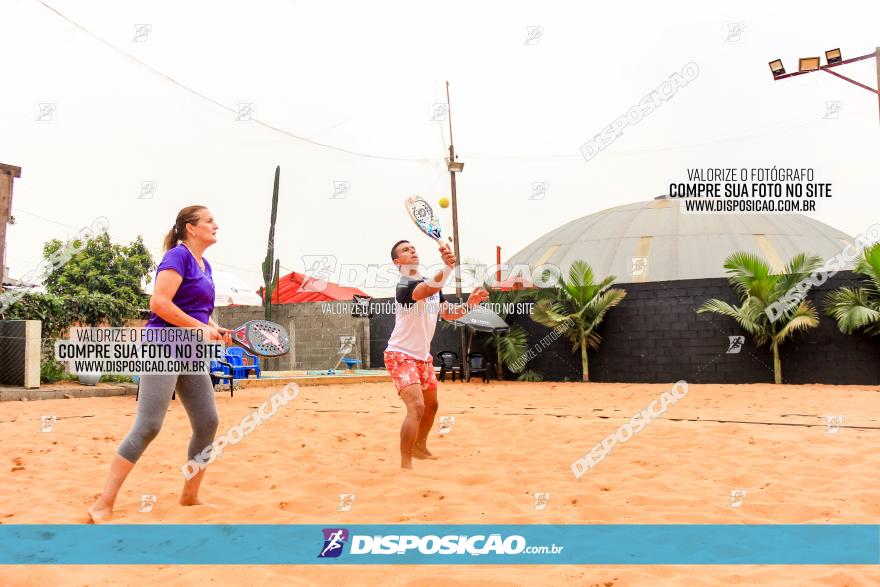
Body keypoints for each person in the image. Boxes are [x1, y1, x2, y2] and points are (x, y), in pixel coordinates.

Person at [88, 205, 228, 523]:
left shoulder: (205, 264)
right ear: (190, 228)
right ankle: (102, 503)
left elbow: (196, 312)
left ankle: (190, 496)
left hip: (190, 349)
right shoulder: (176, 257)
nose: (215, 225)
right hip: (162, 345)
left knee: (208, 422)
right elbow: (159, 304)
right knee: (149, 426)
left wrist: (213, 329)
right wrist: (198, 327)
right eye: (209, 221)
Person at [385, 239, 488, 469]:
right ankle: (405, 464)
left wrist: (469, 306)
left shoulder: (430, 286)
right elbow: (425, 290)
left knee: (432, 406)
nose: (411, 250)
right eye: (405, 250)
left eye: (412, 247)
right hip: (400, 354)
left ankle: (420, 447)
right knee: (417, 407)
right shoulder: (404, 285)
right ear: (397, 261)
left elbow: (449, 314)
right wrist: (449, 268)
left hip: (423, 358)